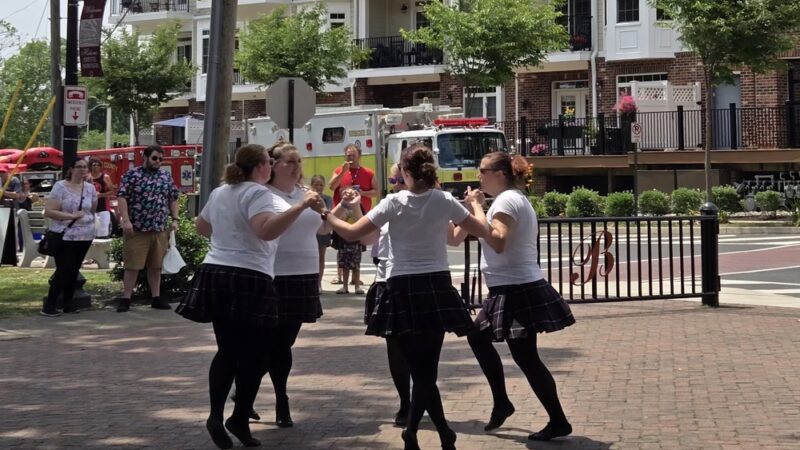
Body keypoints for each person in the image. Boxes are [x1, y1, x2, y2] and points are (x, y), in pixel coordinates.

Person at [318, 144, 491, 450]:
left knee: (418, 369)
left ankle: (422, 432)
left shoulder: (393, 202)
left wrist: (326, 215)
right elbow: (480, 229)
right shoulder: (444, 200)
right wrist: (477, 203)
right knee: (427, 370)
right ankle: (435, 433)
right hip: (436, 285)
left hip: (401, 286)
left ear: (406, 172)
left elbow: (351, 232)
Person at [175, 144, 321, 449]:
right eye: (269, 163)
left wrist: (231, 228)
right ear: (261, 167)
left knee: (227, 351)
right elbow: (266, 231)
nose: (270, 167)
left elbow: (202, 227)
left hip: (216, 271)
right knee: (256, 354)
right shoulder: (258, 193)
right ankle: (238, 417)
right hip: (249, 275)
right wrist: (300, 206)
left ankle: (217, 415)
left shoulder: (221, 192)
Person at [455, 152, 575, 441]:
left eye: (482, 170)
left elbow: (497, 241)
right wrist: (476, 211)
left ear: (499, 174)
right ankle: (508, 404)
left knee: (524, 357)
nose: (478, 176)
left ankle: (549, 417)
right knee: (502, 347)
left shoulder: (508, 200)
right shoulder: (512, 198)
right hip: (514, 285)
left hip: (516, 287)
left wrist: (476, 208)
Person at [260, 144, 327, 427]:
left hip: (305, 272)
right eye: (290, 161)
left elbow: (325, 229)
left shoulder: (306, 194)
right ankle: (280, 399)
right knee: (273, 343)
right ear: (274, 165)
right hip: (275, 274)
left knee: (285, 340)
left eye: (299, 161)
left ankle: (246, 387)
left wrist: (338, 210)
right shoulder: (263, 195)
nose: (297, 166)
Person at [363, 163, 410, 426]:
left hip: (416, 281)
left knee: (419, 348)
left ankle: (421, 402)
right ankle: (406, 402)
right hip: (386, 280)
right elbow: (366, 238)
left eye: (401, 179)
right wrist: (358, 208)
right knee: (395, 347)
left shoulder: (432, 201)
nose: (396, 184)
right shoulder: (388, 203)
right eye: (394, 179)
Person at [115, 145, 180, 312]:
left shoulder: (165, 177)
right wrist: (126, 220)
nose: (158, 162)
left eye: (160, 159)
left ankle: (156, 297)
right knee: (132, 265)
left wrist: (175, 219)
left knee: (156, 266)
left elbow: (173, 198)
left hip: (159, 228)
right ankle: (126, 298)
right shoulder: (131, 175)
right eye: (154, 158)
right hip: (137, 229)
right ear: (145, 157)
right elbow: (122, 197)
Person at [40, 159, 97, 316]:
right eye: (79, 167)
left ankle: (68, 303)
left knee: (74, 270)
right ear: (71, 169)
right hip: (65, 234)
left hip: (85, 235)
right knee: (64, 269)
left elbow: (92, 209)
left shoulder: (90, 188)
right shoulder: (60, 187)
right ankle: (50, 304)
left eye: (85, 167)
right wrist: (70, 215)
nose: (82, 170)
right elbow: (49, 211)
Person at [328, 143, 376, 286]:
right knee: (340, 246)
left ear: (359, 156)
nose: (350, 158)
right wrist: (343, 172)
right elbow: (331, 186)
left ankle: (356, 278)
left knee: (358, 247)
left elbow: (376, 191)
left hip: (360, 213)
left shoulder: (368, 172)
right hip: (341, 213)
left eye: (353, 155)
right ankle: (340, 277)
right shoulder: (339, 170)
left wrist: (363, 193)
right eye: (348, 155)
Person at [332, 187, 365, 295]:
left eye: (353, 194)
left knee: (356, 265)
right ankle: (345, 286)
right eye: (346, 193)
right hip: (343, 240)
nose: (350, 196)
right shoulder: (341, 207)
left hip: (356, 241)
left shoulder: (359, 207)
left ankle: (357, 286)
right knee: (344, 265)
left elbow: (363, 220)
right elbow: (335, 220)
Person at [310, 174, 333, 288]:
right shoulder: (307, 198)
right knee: (310, 257)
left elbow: (327, 212)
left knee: (321, 257)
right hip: (310, 230)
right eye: (316, 185)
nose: (318, 187)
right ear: (311, 186)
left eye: (321, 185)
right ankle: (312, 281)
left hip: (323, 229)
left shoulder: (327, 198)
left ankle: (319, 282)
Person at [0, 166, 22, 266]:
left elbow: (17, 195)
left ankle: (15, 255)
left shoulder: (14, 180)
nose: (1, 175)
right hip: (2, 211)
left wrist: (3, 192)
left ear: (7, 173)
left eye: (2, 173)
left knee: (14, 233)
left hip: (13, 211)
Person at [89, 157, 114, 238]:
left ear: (100, 167)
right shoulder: (87, 178)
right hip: (90, 208)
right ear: (90, 166)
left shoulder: (105, 177)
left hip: (103, 207)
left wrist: (100, 195)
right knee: (92, 231)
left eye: (98, 165)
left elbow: (112, 191)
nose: (96, 166)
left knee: (103, 229)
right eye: (94, 165)